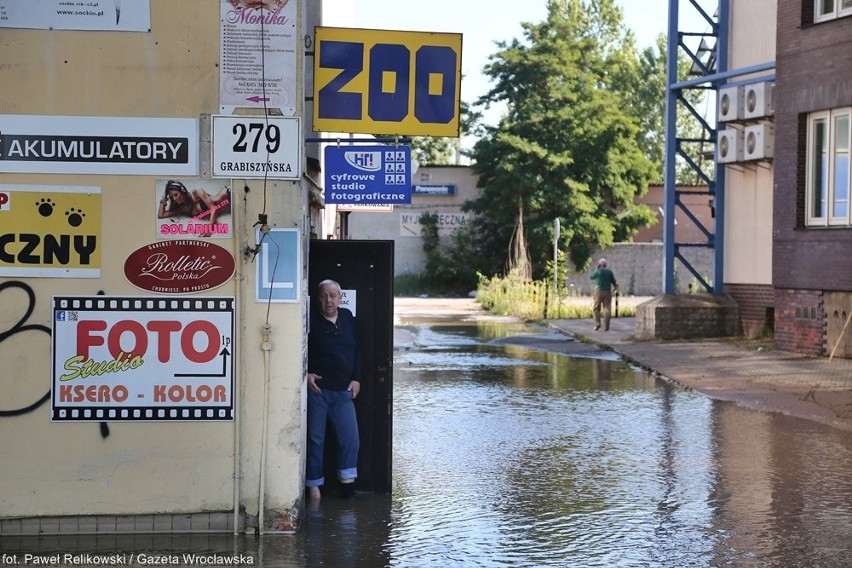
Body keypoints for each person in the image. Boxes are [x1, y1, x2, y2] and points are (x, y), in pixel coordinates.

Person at [306, 279, 362, 501]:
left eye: (333, 295)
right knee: (315, 440)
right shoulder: (310, 319)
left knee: (350, 440)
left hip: (343, 392)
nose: (328, 300)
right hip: (317, 391)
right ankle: (313, 488)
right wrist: (306, 373)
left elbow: (357, 349)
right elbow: (298, 348)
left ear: (340, 298)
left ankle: (347, 486)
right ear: (317, 298)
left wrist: (357, 378)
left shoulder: (347, 317)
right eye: (323, 296)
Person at [158, 179, 231, 227]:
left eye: (176, 195)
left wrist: (209, 226)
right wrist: (164, 198)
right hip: (228, 208)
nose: (174, 199)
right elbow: (161, 215)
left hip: (227, 195)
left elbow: (213, 209)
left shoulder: (197, 192)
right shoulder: (182, 208)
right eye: (171, 197)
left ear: (182, 191)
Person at [590, 258, 618, 331]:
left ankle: (597, 324)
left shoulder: (598, 272)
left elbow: (591, 277)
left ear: (600, 264)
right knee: (607, 309)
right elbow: (613, 281)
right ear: (606, 265)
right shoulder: (609, 272)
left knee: (596, 308)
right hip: (607, 291)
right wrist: (615, 287)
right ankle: (606, 327)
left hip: (598, 291)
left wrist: (597, 268)